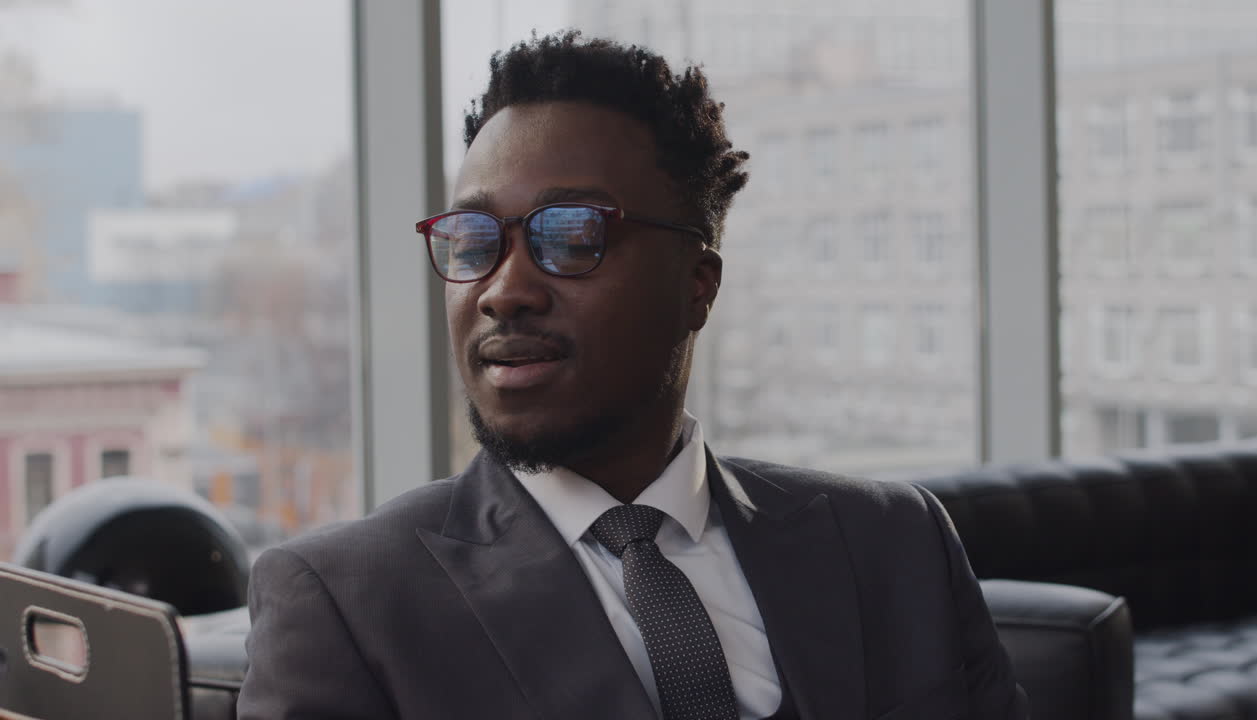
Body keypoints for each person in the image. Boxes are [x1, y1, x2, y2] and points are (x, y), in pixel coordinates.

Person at [238, 31, 1028, 720]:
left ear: (698, 284)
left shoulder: (894, 543)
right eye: (475, 240)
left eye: (573, 234)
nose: (505, 290)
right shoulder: (345, 602)